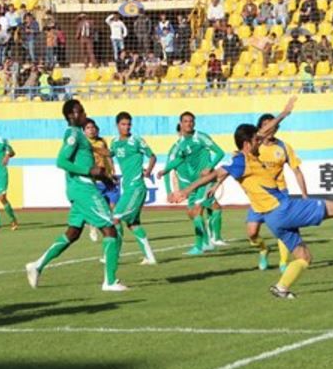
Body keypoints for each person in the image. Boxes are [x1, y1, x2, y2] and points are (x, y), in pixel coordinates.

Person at [170, 96, 333, 299]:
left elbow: (228, 163)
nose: (260, 140)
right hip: (282, 208)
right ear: (246, 143)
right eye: (255, 139)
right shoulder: (242, 160)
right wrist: (186, 191)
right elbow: (212, 174)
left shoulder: (239, 157)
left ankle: (282, 287)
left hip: (273, 220)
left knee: (304, 256)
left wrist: (283, 113)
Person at [24, 100, 126, 291]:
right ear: (71, 115)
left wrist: (105, 178)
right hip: (83, 189)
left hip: (78, 188)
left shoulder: (79, 135)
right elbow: (61, 161)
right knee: (110, 229)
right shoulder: (72, 134)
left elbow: (89, 165)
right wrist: (89, 169)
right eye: (80, 111)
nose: (85, 114)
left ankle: (36, 266)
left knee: (73, 233)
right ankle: (110, 282)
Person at [156, 111, 227, 255]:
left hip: (204, 181)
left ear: (194, 123)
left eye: (191, 121)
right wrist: (165, 170)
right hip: (191, 185)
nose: (188, 124)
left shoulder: (201, 137)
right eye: (185, 121)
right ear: (180, 124)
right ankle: (207, 242)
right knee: (193, 213)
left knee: (198, 210)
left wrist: (209, 166)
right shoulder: (180, 144)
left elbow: (220, 152)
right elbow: (178, 160)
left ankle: (200, 246)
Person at [246, 113, 308, 273]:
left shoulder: (284, 147)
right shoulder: (254, 146)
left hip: (280, 193)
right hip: (259, 195)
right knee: (252, 233)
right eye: (267, 125)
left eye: (274, 125)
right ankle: (263, 249)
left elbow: (297, 171)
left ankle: (283, 263)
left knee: (284, 229)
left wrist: (304, 195)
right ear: (260, 128)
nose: (271, 128)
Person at [110, 111, 158, 265]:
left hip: (136, 187)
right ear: (117, 125)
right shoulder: (115, 142)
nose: (127, 127)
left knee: (115, 218)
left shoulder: (137, 140)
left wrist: (148, 171)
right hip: (127, 187)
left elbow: (152, 156)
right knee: (133, 224)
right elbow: (109, 154)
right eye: (123, 124)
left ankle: (113, 255)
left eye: (129, 124)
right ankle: (150, 257)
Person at [84, 118, 120, 241]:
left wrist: (112, 170)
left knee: (113, 209)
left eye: (93, 127)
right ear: (84, 131)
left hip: (107, 178)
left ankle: (113, 234)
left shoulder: (101, 141)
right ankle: (94, 226)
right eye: (88, 128)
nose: (91, 130)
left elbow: (108, 156)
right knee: (99, 208)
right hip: (94, 180)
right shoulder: (83, 143)